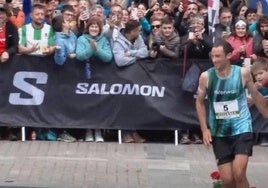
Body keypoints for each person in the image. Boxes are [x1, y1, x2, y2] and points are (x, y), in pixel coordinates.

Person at [195, 39, 268, 188]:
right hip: (219, 132)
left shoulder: (243, 73)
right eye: (212, 56)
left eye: (218, 56)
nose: (214, 60)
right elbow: (200, 102)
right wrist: (204, 129)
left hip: (242, 128)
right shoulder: (206, 77)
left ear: (228, 55)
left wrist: (266, 113)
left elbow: (254, 95)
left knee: (239, 173)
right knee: (227, 180)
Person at [76, 17, 113, 142]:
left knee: (99, 105)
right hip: (85, 76)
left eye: (97, 27)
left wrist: (97, 49)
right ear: (88, 27)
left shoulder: (104, 39)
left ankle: (98, 131)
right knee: (86, 104)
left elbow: (108, 57)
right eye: (92, 26)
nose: (94, 28)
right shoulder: (81, 39)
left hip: (100, 76)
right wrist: (91, 48)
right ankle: (88, 130)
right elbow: (80, 55)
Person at [113, 20, 147, 143]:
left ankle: (133, 131)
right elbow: (120, 61)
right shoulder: (118, 42)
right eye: (139, 30)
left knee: (135, 105)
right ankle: (126, 133)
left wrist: (132, 54)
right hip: (122, 78)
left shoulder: (139, 38)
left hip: (136, 78)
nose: (140, 32)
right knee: (124, 105)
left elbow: (145, 52)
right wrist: (136, 58)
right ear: (132, 31)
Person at [0, 4, 20, 140]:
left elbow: (15, 45)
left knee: (7, 97)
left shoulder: (12, 27)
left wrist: (8, 52)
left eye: (2, 13)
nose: (0, 16)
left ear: (6, 16)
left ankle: (8, 130)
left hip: (7, 67)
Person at [250, 57, 268, 146]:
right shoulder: (255, 87)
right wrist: (254, 91)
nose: (258, 77)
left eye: (261, 73)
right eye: (256, 75)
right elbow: (248, 103)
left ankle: (264, 135)